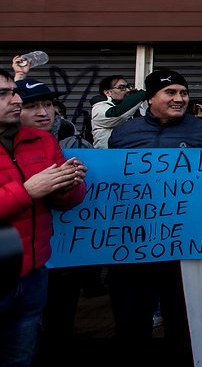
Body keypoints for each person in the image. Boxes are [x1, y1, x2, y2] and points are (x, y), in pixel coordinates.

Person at [107, 69, 202, 365]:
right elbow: (112, 181)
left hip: (184, 244)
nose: (179, 99)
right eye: (171, 93)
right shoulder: (125, 133)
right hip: (134, 243)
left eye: (183, 93)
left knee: (184, 318)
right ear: (151, 97)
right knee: (131, 316)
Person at [0, 68, 87, 367]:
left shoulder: (42, 141)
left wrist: (69, 185)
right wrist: (27, 191)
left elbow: (65, 202)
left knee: (21, 356)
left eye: (13, 92)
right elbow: (30, 192)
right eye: (4, 94)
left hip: (34, 272)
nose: (13, 99)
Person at [16, 78, 91, 149]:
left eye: (48, 105)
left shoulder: (77, 145)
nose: (43, 113)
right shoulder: (6, 147)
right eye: (31, 107)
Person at [91, 74, 146, 149]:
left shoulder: (136, 109)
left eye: (128, 87)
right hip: (107, 157)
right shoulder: (99, 108)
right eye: (122, 88)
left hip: (131, 156)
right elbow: (117, 114)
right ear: (107, 93)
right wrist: (143, 94)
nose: (127, 90)